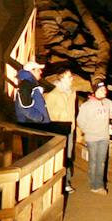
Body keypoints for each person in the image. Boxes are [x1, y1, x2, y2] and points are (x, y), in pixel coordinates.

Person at [75, 81, 112, 193]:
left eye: (105, 89)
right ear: (96, 91)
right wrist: (88, 131)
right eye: (102, 89)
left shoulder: (107, 102)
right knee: (93, 161)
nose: (105, 91)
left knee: (102, 161)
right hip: (92, 138)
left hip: (104, 137)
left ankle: (99, 185)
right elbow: (80, 121)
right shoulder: (87, 105)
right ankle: (94, 184)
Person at [44, 71, 79, 204]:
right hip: (58, 130)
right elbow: (48, 115)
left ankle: (66, 181)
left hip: (69, 129)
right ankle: (58, 182)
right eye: (69, 76)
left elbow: (73, 112)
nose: (72, 78)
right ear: (61, 78)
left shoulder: (72, 93)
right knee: (60, 156)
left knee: (68, 156)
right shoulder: (53, 94)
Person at [13, 59, 50, 127]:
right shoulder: (26, 85)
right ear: (32, 71)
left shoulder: (29, 84)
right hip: (33, 126)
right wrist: (40, 118)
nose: (41, 72)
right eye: (38, 70)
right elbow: (25, 108)